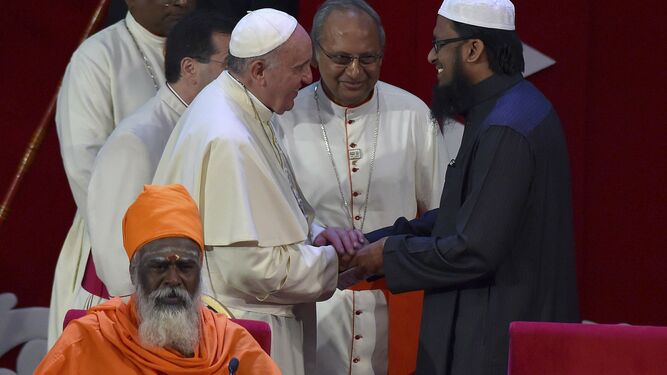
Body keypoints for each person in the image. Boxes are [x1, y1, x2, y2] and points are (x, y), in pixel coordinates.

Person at [349, 0, 580, 374]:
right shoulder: (504, 111)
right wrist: (375, 240)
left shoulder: (508, 126)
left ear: (473, 49)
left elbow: (474, 249)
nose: (429, 56)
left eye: (439, 44)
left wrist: (386, 255)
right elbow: (464, 213)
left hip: (494, 347)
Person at [153, 8, 359, 374]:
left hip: (250, 326)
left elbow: (278, 210)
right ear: (259, 71)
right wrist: (334, 262)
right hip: (241, 334)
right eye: (298, 68)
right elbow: (247, 267)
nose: (308, 78)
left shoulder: (247, 107)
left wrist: (318, 236)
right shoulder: (228, 136)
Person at [273, 1, 461, 374]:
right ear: (315, 53)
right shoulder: (285, 116)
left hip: (394, 308)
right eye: (341, 58)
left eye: (368, 58)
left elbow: (443, 213)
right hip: (314, 308)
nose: (355, 71)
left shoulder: (412, 114)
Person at [49, 0, 195, 347]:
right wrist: (142, 249)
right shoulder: (98, 58)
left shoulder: (209, 48)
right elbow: (84, 165)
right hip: (118, 242)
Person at [35, 184, 281, 374]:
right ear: (133, 272)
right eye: (158, 266)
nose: (173, 279)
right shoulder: (87, 342)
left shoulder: (233, 348)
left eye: (185, 266)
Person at [83, 11, 235, 308]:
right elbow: (117, 260)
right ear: (190, 68)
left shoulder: (205, 126)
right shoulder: (136, 141)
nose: (239, 77)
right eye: (230, 65)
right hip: (135, 317)